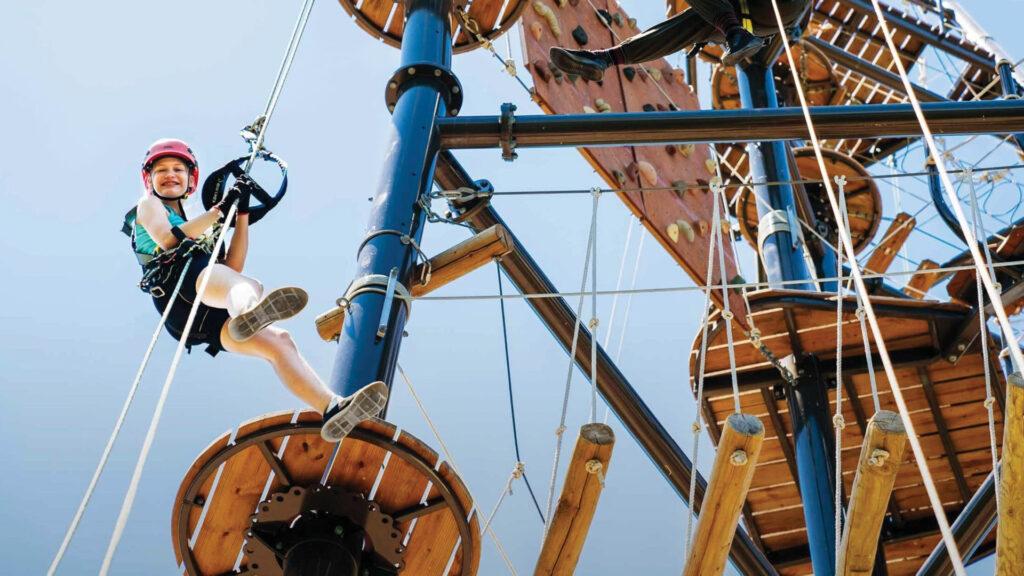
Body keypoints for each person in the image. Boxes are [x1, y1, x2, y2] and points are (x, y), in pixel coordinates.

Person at [128, 138, 387, 442]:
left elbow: (232, 263)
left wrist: (241, 216)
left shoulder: (206, 228)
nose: (170, 174)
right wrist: (219, 210)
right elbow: (170, 240)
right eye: (161, 170)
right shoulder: (149, 206)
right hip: (179, 284)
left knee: (279, 341)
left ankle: (331, 408)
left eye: (177, 169)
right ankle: (247, 313)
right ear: (150, 179)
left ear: (189, 180)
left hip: (204, 317)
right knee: (246, 287)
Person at [550, 0, 808, 81]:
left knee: (704, 21)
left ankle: (733, 31)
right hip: (767, 21)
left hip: (781, 9)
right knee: (696, 22)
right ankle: (605, 59)